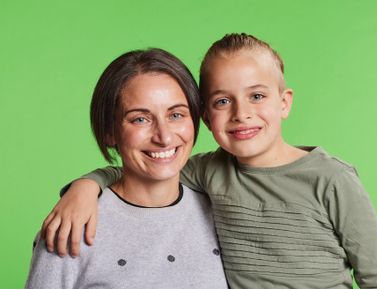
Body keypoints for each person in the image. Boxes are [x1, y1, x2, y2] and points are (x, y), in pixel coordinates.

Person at [40, 34, 377, 288]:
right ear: (207, 118)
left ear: (284, 102)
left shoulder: (331, 178)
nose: (242, 114)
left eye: (257, 96)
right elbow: (142, 171)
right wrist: (87, 185)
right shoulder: (209, 171)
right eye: (223, 102)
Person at [25, 48, 228, 289]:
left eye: (176, 115)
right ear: (110, 130)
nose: (163, 137)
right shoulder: (72, 225)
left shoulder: (224, 213)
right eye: (140, 119)